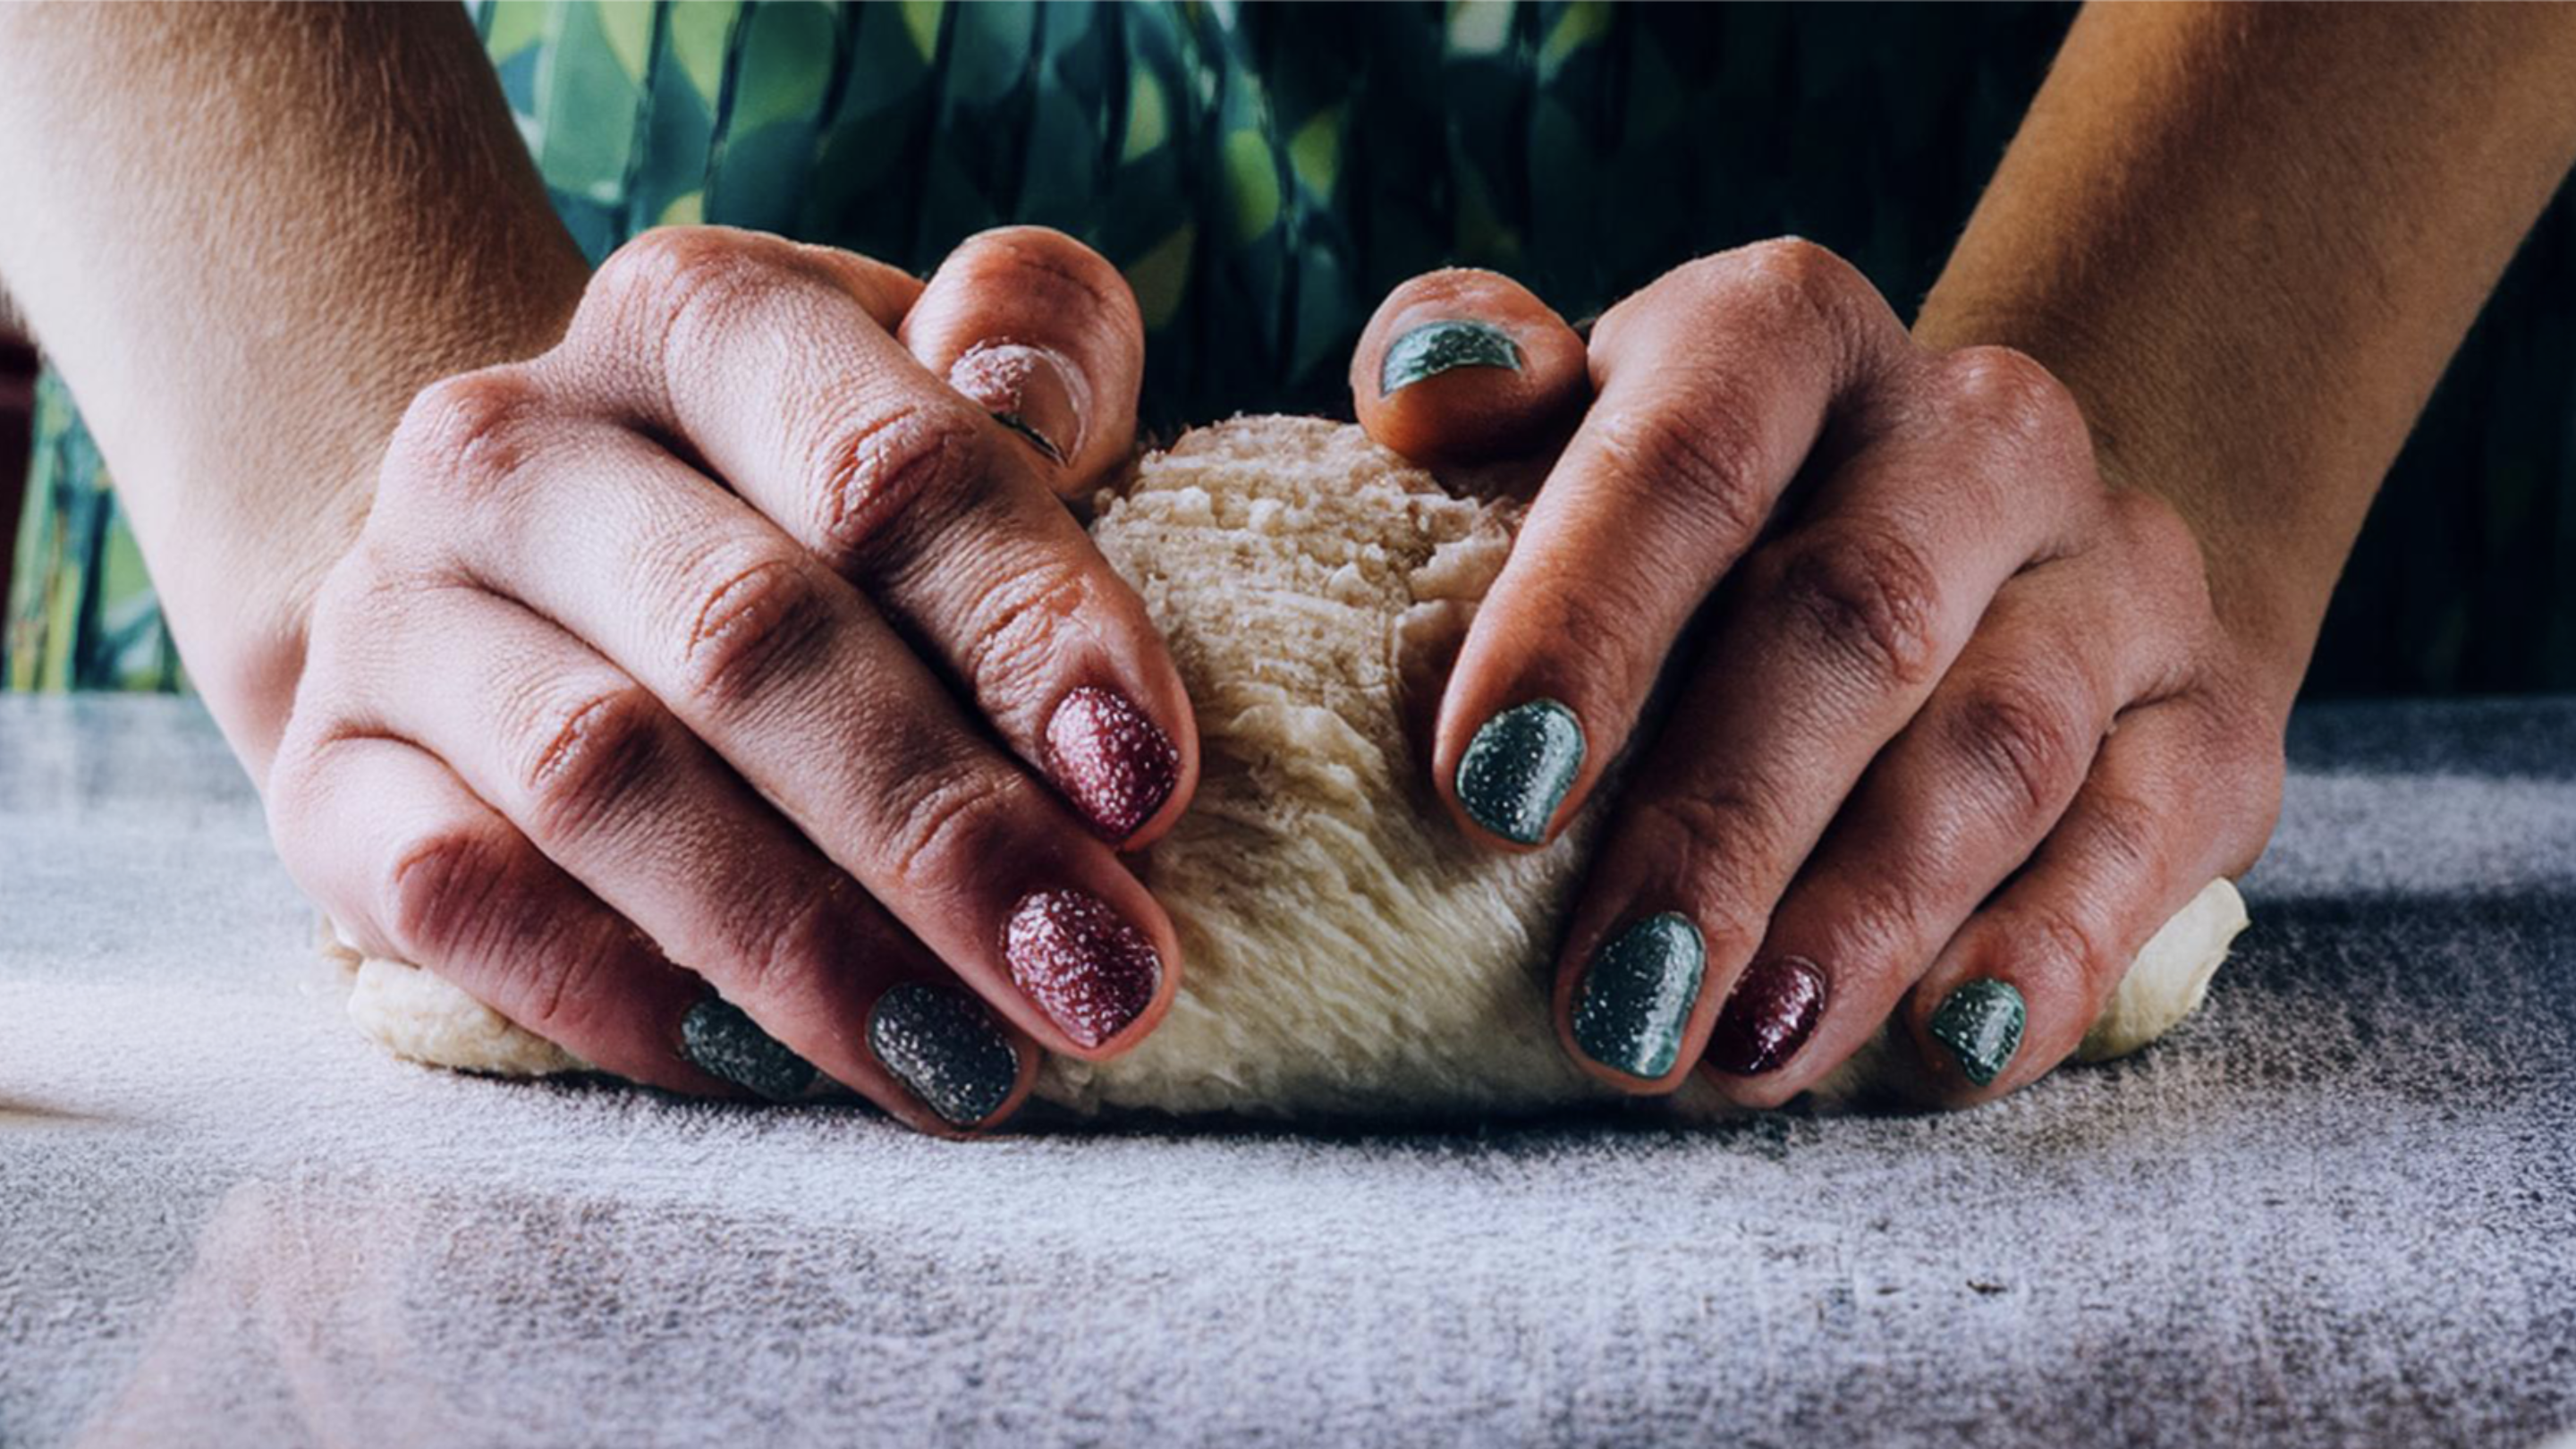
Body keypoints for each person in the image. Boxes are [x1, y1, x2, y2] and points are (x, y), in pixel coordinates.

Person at [3, 0, 2571, 1134]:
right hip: (484, 219)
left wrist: (2136, 445)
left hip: (2164, 198)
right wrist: (391, 485)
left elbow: (2091, 527)